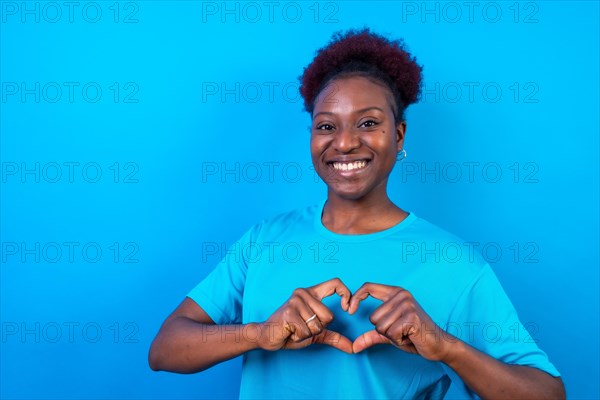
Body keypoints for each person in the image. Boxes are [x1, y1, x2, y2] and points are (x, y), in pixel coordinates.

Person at [149, 28, 565, 399]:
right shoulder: (264, 240)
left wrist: (446, 347)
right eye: (327, 126)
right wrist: (258, 333)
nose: (344, 144)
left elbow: (547, 392)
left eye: (368, 123)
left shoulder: (453, 264)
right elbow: (165, 349)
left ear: (398, 135)